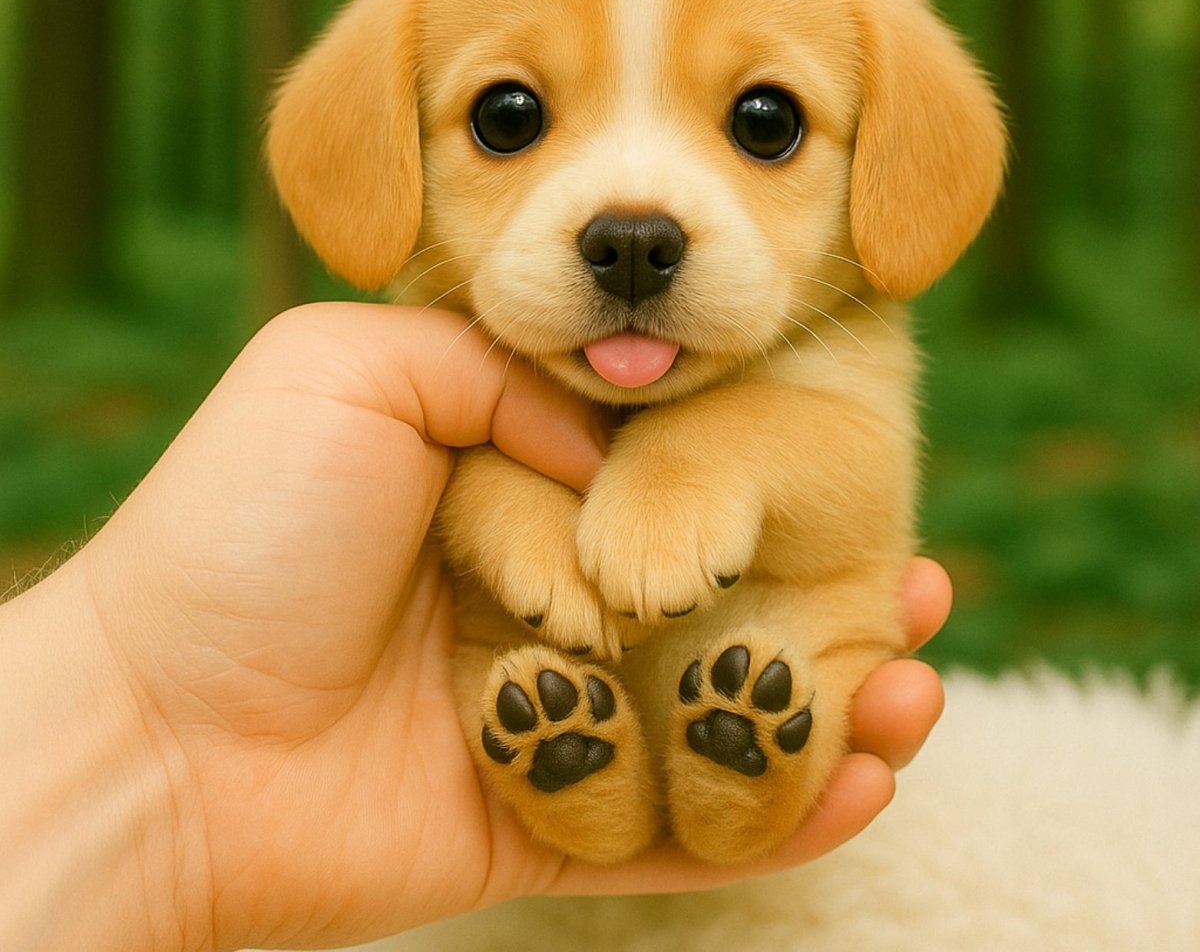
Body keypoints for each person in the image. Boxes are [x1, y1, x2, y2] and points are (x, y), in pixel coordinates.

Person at [0, 303, 950, 952]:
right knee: (509, 658)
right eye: (512, 119)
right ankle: (589, 778)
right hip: (503, 685)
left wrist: (699, 461)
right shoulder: (444, 342)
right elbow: (459, 465)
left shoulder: (842, 336)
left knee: (798, 656)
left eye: (760, 124)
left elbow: (851, 488)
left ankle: (738, 774)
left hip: (768, 624)